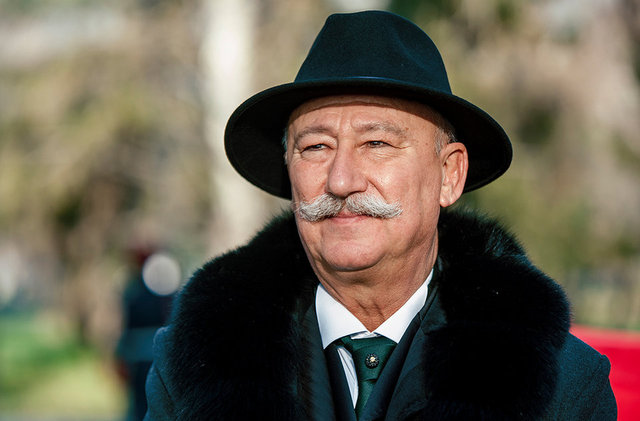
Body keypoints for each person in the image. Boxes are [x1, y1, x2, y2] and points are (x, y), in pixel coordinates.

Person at [143, 10, 616, 420]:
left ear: (449, 175)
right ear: (289, 172)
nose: (341, 180)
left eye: (376, 143)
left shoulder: (562, 384)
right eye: (316, 147)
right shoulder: (194, 367)